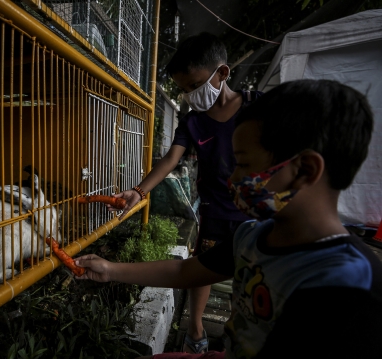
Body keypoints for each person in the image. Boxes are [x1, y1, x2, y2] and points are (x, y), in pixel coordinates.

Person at [79, 79, 382, 358]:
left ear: (305, 171)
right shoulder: (251, 236)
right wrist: (109, 269)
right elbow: (186, 272)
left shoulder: (350, 284)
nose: (232, 179)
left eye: (244, 164)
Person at [108, 32, 262, 353]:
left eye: (195, 85)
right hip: (215, 211)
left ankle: (238, 332)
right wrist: (140, 191)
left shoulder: (256, 106)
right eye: (184, 89)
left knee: (251, 279)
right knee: (201, 269)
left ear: (222, 73)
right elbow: (170, 159)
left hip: (255, 211)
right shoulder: (192, 122)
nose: (191, 95)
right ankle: (195, 328)